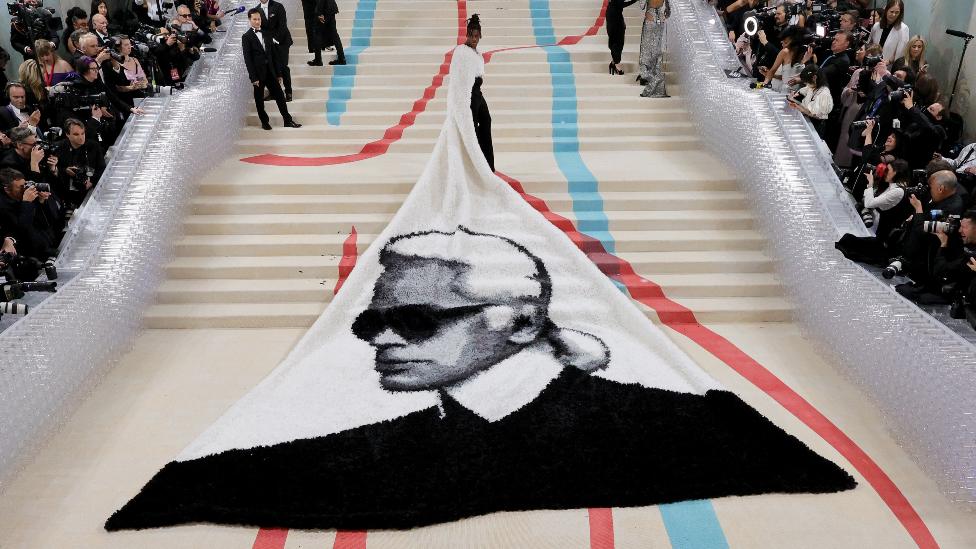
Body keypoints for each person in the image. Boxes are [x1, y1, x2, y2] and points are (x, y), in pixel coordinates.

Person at [104, 226, 856, 532]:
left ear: (521, 322)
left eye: (422, 320)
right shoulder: (365, 449)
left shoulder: (683, 428)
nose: (386, 337)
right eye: (373, 322)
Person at [242, 8, 301, 131]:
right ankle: (264, 122)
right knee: (259, 100)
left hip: (271, 72)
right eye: (255, 19)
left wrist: (279, 73)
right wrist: (253, 77)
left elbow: (273, 55)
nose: (257, 21)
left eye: (259, 19)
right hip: (258, 74)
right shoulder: (246, 37)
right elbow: (248, 59)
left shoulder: (267, 33)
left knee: (280, 95)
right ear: (249, 20)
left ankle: (287, 120)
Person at [0, 167, 62, 263]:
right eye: (20, 187)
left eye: (24, 184)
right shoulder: (3, 207)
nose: (24, 189)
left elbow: (50, 220)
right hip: (30, 258)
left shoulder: (25, 198)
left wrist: (42, 202)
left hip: (48, 246)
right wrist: (27, 203)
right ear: (7, 190)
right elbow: (22, 231)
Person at [463, 14, 493, 172]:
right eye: (471, 35)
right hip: (469, 94)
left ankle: (487, 165)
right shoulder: (462, 52)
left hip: (478, 93)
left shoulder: (477, 54)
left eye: (476, 36)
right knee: (472, 127)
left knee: (486, 120)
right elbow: (459, 79)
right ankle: (475, 166)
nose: (474, 38)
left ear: (480, 36)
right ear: (467, 35)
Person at [52, 118, 104, 207]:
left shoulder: (93, 146)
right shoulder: (58, 148)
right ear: (67, 134)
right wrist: (65, 170)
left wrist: (91, 181)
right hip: (66, 194)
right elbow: (52, 172)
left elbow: (101, 168)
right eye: (76, 134)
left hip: (90, 190)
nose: (81, 137)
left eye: (83, 133)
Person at [257, 0, 294, 102]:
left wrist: (275, 39)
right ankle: (274, 93)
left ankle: (288, 92)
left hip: (281, 41)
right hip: (268, 44)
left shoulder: (278, 6)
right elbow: (259, 28)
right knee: (271, 68)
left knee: (283, 67)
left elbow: (283, 25)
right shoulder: (257, 10)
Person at [788, 64, 834, 137]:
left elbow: (819, 115)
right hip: (806, 121)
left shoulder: (824, 93)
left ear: (814, 78)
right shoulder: (811, 86)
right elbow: (799, 95)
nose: (806, 84)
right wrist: (792, 98)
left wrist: (801, 109)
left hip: (815, 126)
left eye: (806, 82)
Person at [638, 0, 671, 98]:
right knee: (656, 49)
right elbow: (669, 10)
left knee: (646, 49)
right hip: (660, 20)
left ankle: (649, 77)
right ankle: (654, 75)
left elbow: (642, 5)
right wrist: (665, 14)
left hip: (650, 18)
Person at [759, 26, 806, 92]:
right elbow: (772, 70)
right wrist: (765, 83)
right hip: (785, 91)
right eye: (783, 41)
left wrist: (800, 80)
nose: (783, 44)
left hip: (798, 93)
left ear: (795, 42)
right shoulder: (784, 52)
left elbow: (809, 76)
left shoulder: (805, 52)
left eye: (786, 42)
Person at [606, 0, 638, 75]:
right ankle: (616, 63)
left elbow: (619, 3)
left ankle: (614, 63)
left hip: (616, 13)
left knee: (618, 39)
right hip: (614, 14)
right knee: (617, 40)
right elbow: (619, 3)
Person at [315, 0, 344, 65]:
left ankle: (318, 60)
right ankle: (342, 58)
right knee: (334, 34)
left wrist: (319, 12)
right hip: (331, 7)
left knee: (318, 33)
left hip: (325, 9)